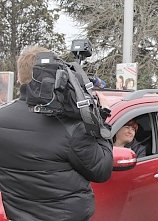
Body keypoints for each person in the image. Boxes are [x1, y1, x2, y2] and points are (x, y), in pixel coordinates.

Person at [0, 46, 114, 221]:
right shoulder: (70, 126)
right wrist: (102, 118)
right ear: (55, 75)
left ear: (19, 76)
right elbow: (101, 170)